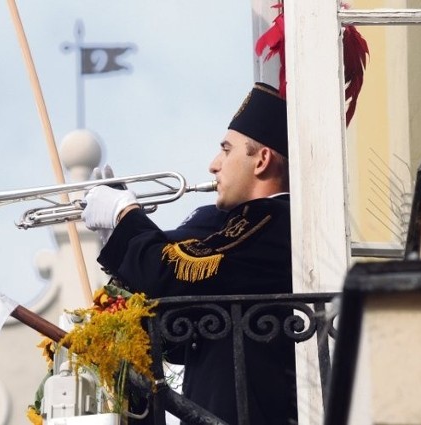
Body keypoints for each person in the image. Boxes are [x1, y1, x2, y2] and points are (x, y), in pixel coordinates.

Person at [81, 82, 296, 424]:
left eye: (226, 150)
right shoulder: (241, 223)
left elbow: (177, 271)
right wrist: (118, 233)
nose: (214, 164)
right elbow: (180, 331)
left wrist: (125, 215)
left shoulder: (270, 219)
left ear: (262, 160)